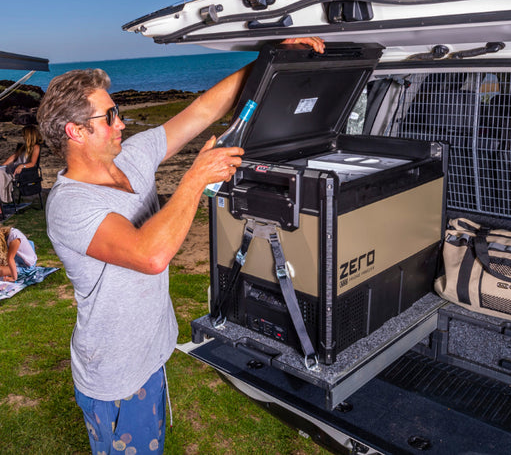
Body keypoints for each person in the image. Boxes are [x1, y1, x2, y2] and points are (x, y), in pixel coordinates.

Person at [36, 37, 325, 455]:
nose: (123, 123)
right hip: (116, 374)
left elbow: (202, 111)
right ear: (76, 131)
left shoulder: (130, 157)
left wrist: (270, 59)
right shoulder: (70, 204)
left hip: (150, 352)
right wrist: (194, 179)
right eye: (111, 115)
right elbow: (150, 255)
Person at [0, 124, 42, 205]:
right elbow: (13, 157)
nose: (23, 136)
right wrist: (2, 165)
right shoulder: (23, 147)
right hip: (12, 168)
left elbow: (33, 163)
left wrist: (22, 166)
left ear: (29, 135)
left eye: (24, 135)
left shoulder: (36, 147)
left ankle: (2, 204)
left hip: (23, 171)